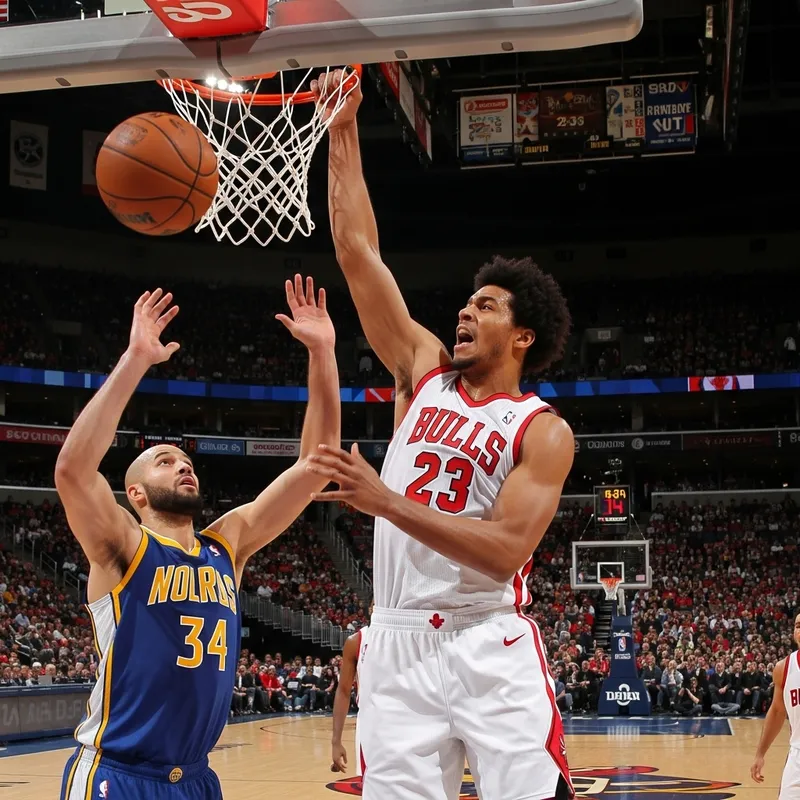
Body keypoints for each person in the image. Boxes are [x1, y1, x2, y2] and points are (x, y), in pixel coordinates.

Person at [309, 71, 575, 800]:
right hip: (394, 640)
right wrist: (342, 126)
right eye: (465, 302)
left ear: (522, 336)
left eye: (484, 306)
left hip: (487, 638)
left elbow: (503, 554)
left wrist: (387, 501)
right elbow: (358, 250)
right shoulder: (423, 371)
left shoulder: (542, 431)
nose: (465, 311)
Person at [56, 277, 339, 800]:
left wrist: (323, 353)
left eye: (187, 462)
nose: (183, 468)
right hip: (117, 774)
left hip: (196, 778)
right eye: (165, 462)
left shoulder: (225, 545)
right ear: (135, 493)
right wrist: (137, 359)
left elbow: (317, 464)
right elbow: (73, 470)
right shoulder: (122, 543)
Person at [752, 613, 800, 796]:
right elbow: (778, 712)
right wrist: (760, 754)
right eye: (798, 625)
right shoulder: (784, 668)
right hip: (797, 756)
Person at [331, 600, 372, 776]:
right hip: (372, 723)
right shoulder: (357, 641)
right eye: (374, 603)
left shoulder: (408, 636)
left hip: (410, 720)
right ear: (369, 608)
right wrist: (336, 741)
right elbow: (343, 691)